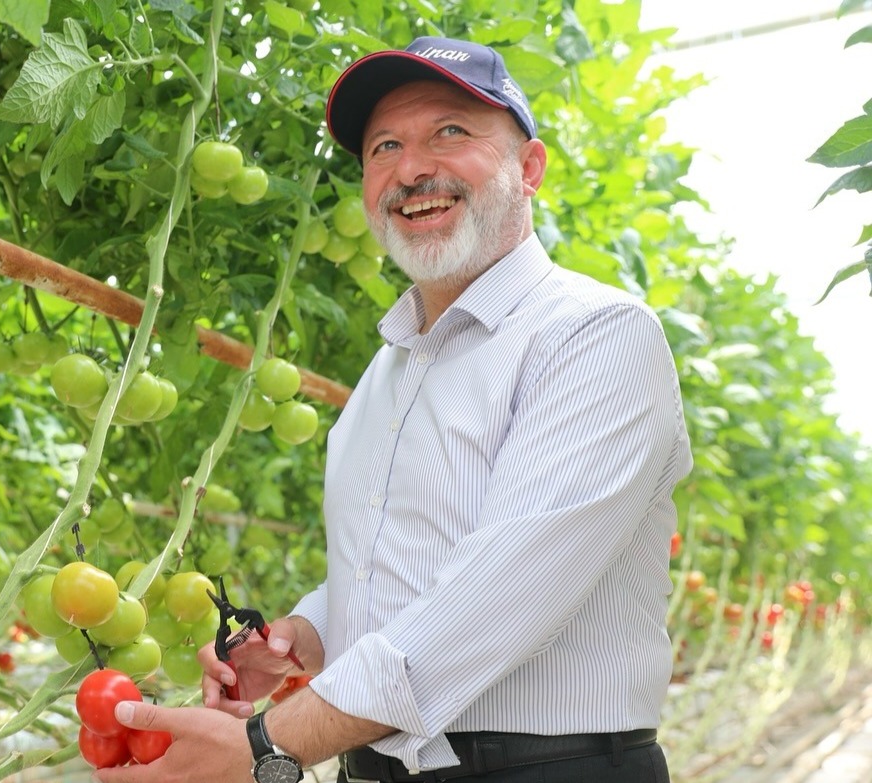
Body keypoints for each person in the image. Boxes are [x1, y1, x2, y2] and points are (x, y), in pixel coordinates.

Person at [96, 35, 691, 783]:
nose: (412, 169)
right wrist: (306, 634)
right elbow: (404, 566)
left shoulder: (595, 335)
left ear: (529, 168)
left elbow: (494, 600)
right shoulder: (390, 369)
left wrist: (268, 744)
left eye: (451, 131)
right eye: (384, 147)